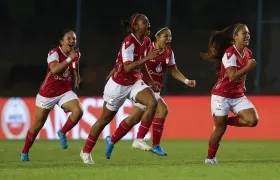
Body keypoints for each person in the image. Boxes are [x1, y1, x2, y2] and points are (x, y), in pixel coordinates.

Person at [80, 13, 161, 164]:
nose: (148, 25)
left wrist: (150, 81)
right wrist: (147, 57)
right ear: (136, 26)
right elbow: (128, 66)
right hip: (118, 86)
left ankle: (139, 139)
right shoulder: (129, 42)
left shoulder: (147, 41)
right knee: (104, 119)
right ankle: (85, 151)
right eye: (145, 22)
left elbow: (142, 65)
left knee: (152, 102)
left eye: (149, 22)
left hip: (134, 83)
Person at [129, 27, 196, 156]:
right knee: (162, 109)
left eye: (170, 36)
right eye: (166, 36)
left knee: (133, 118)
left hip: (155, 90)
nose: (169, 39)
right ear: (157, 37)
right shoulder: (148, 48)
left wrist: (187, 81)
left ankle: (113, 139)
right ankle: (153, 144)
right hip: (142, 87)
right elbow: (138, 64)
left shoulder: (169, 52)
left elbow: (174, 70)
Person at [20, 30, 83, 161]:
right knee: (37, 125)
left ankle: (62, 132)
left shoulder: (75, 54)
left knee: (78, 111)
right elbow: (54, 69)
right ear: (62, 42)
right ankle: (25, 151)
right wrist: (69, 58)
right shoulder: (54, 53)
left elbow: (75, 64)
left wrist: (77, 76)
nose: (72, 41)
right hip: (48, 93)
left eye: (74, 39)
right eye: (69, 39)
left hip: (64, 91)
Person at [200, 23, 259, 164]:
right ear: (235, 37)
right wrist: (249, 67)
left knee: (252, 120)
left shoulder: (247, 52)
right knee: (220, 130)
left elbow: (240, 75)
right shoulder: (229, 53)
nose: (248, 36)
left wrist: (243, 84)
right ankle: (209, 159)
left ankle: (223, 121)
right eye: (244, 33)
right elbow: (232, 76)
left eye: (248, 33)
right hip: (222, 95)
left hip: (237, 95)